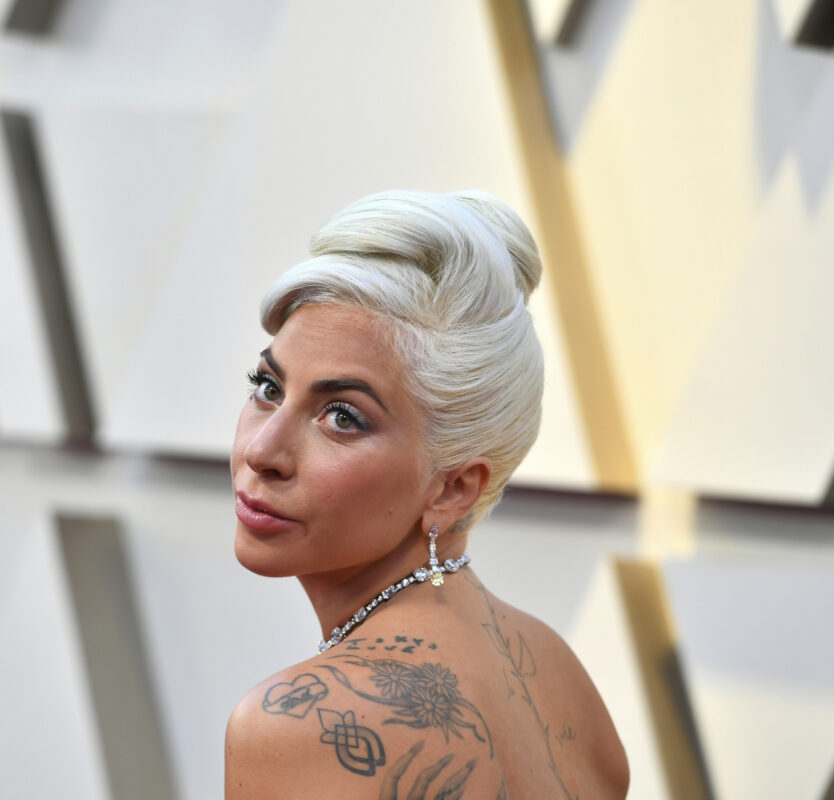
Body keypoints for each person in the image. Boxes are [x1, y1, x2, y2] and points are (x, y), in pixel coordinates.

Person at [225, 189, 628, 799]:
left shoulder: (299, 724)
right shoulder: (555, 671)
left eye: (343, 417)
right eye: (268, 387)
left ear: (453, 488)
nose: (263, 453)